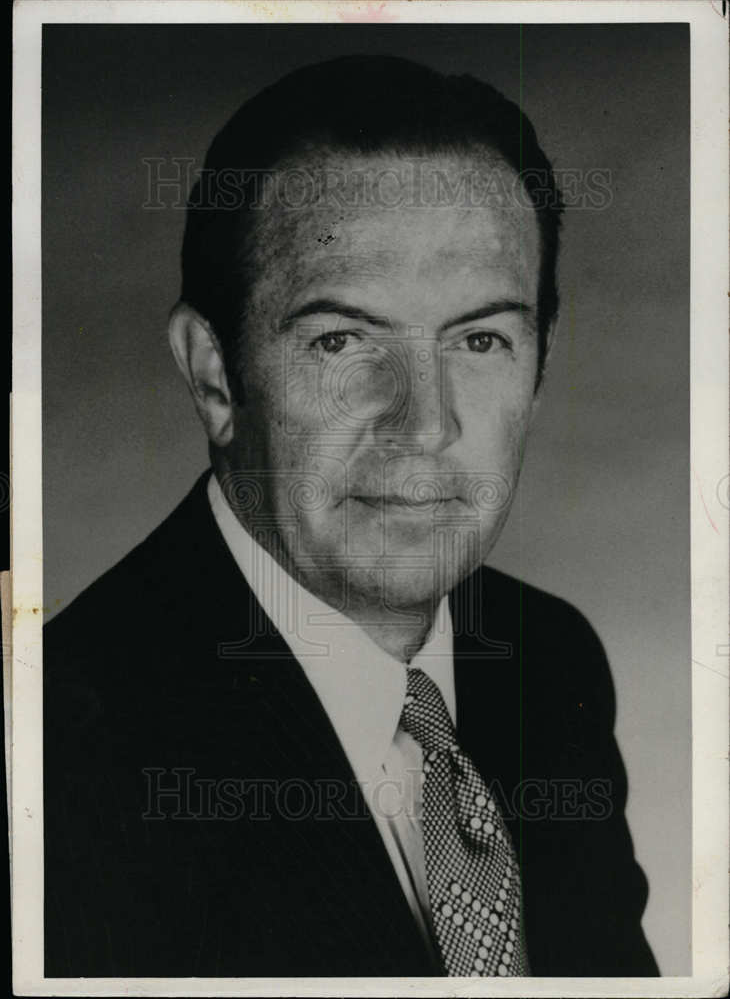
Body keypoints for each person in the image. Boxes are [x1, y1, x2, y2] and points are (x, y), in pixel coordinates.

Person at [44, 54, 659, 978]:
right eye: (342, 340)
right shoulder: (62, 757)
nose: (426, 423)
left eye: (481, 338)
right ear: (214, 374)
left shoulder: (549, 658)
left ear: (540, 365)